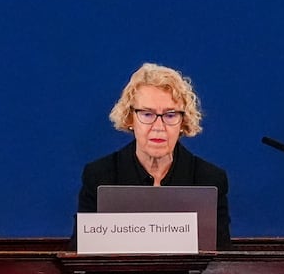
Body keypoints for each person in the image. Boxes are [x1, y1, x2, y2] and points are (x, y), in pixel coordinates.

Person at [76, 62, 230, 248]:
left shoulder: (209, 179)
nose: (159, 127)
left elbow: (222, 264)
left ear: (183, 122)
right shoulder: (99, 176)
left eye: (170, 115)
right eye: (147, 114)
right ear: (130, 118)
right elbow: (80, 255)